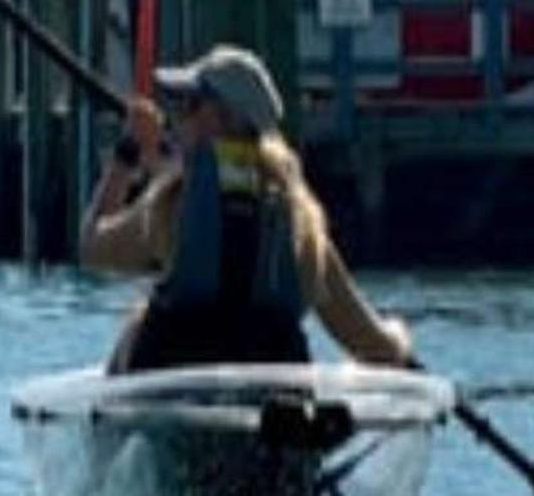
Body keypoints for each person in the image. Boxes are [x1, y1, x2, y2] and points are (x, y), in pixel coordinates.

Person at [79, 44, 411, 373]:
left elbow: (91, 246)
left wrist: (125, 157)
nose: (177, 117)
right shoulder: (298, 216)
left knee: (138, 317)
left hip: (176, 367)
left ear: (222, 119)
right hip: (272, 373)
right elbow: (369, 343)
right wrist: (398, 340)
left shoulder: (170, 201)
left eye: (190, 105)